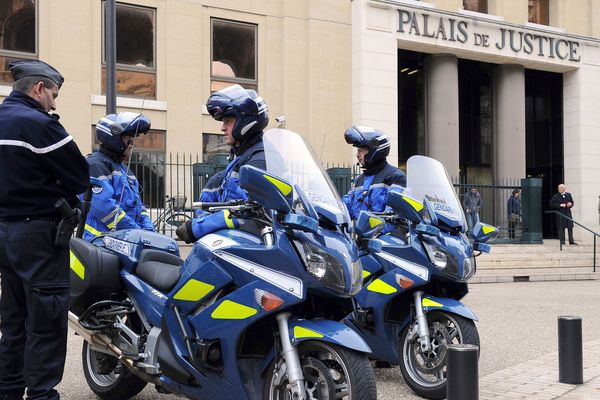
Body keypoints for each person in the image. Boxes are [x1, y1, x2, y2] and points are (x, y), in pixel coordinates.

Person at [0, 60, 89, 400]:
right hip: (38, 236)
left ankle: (7, 391)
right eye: (53, 94)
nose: (55, 102)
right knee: (46, 321)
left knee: (13, 321)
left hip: (5, 234)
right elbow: (79, 176)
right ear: (38, 89)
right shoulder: (39, 125)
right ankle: (40, 395)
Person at [176, 84, 269, 243]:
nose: (222, 128)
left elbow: (248, 213)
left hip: (249, 248)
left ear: (244, 121)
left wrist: (196, 228)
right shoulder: (241, 159)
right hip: (234, 245)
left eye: (228, 121)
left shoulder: (259, 160)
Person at [82, 112, 155, 241]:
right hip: (100, 244)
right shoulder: (95, 165)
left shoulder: (125, 170)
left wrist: (149, 231)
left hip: (126, 242)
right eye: (128, 137)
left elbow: (139, 207)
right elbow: (105, 208)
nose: (132, 142)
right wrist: (137, 232)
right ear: (113, 138)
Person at [342, 125, 406, 221]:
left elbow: (396, 215)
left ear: (374, 150)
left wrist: (375, 230)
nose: (357, 155)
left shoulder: (395, 177)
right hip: (358, 235)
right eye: (358, 151)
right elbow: (346, 208)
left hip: (384, 235)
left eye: (361, 150)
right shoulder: (358, 181)